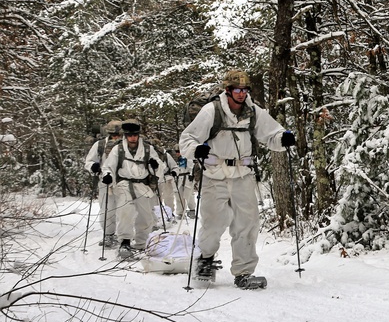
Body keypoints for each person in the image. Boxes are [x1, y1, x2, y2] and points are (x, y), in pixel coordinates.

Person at [179, 69, 295, 289]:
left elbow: (271, 134)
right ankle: (205, 258)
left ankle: (243, 272)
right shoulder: (210, 111)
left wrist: (283, 138)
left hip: (243, 175)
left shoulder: (253, 111)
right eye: (237, 90)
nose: (241, 94)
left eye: (244, 90)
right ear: (228, 90)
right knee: (213, 222)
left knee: (247, 224)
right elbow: (188, 138)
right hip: (215, 175)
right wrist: (197, 150)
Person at [101, 119, 165, 259]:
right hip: (124, 184)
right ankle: (125, 242)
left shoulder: (148, 149)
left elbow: (160, 167)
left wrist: (155, 165)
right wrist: (107, 176)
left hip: (143, 185)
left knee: (146, 215)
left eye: (135, 135)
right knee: (125, 212)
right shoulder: (118, 149)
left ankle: (142, 242)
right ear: (126, 135)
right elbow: (108, 166)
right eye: (130, 135)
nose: (132, 138)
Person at [83, 120, 122, 247]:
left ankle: (124, 236)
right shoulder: (100, 145)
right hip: (105, 182)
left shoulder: (127, 144)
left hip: (124, 182)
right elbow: (89, 161)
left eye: (118, 134)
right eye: (113, 134)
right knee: (107, 209)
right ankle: (109, 235)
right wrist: (93, 166)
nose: (115, 137)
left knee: (126, 210)